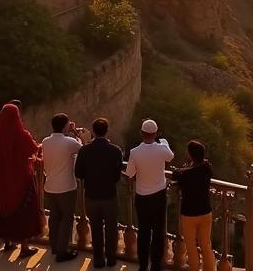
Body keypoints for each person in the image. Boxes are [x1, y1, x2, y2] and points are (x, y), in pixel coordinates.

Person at [0, 102, 42, 259]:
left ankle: (7, 242)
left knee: (6, 209)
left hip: (3, 178)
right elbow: (34, 149)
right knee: (24, 212)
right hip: (21, 178)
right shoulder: (22, 135)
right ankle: (24, 248)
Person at [75, 117, 124, 268]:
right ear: (107, 131)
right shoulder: (115, 151)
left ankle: (98, 259)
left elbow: (78, 173)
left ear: (93, 132)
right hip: (109, 195)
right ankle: (111, 258)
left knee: (95, 229)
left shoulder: (84, 150)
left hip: (91, 195)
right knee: (111, 228)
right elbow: (117, 175)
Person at [125, 119, 174, 271]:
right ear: (155, 134)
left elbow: (130, 173)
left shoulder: (134, 152)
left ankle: (142, 265)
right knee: (158, 232)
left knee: (144, 231)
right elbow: (170, 156)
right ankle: (156, 265)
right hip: (159, 195)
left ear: (142, 133)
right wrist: (164, 141)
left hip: (142, 196)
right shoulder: (161, 149)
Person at [42, 112, 84, 261]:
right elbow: (83, 149)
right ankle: (62, 251)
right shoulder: (69, 142)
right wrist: (75, 132)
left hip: (50, 186)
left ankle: (54, 246)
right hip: (66, 187)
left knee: (54, 217)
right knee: (67, 218)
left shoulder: (46, 141)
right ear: (65, 126)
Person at [172, 141, 216, 271]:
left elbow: (177, 175)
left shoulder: (185, 174)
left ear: (190, 155)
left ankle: (194, 268)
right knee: (206, 245)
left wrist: (181, 169)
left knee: (190, 245)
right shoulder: (207, 168)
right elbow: (201, 167)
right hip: (205, 211)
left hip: (189, 213)